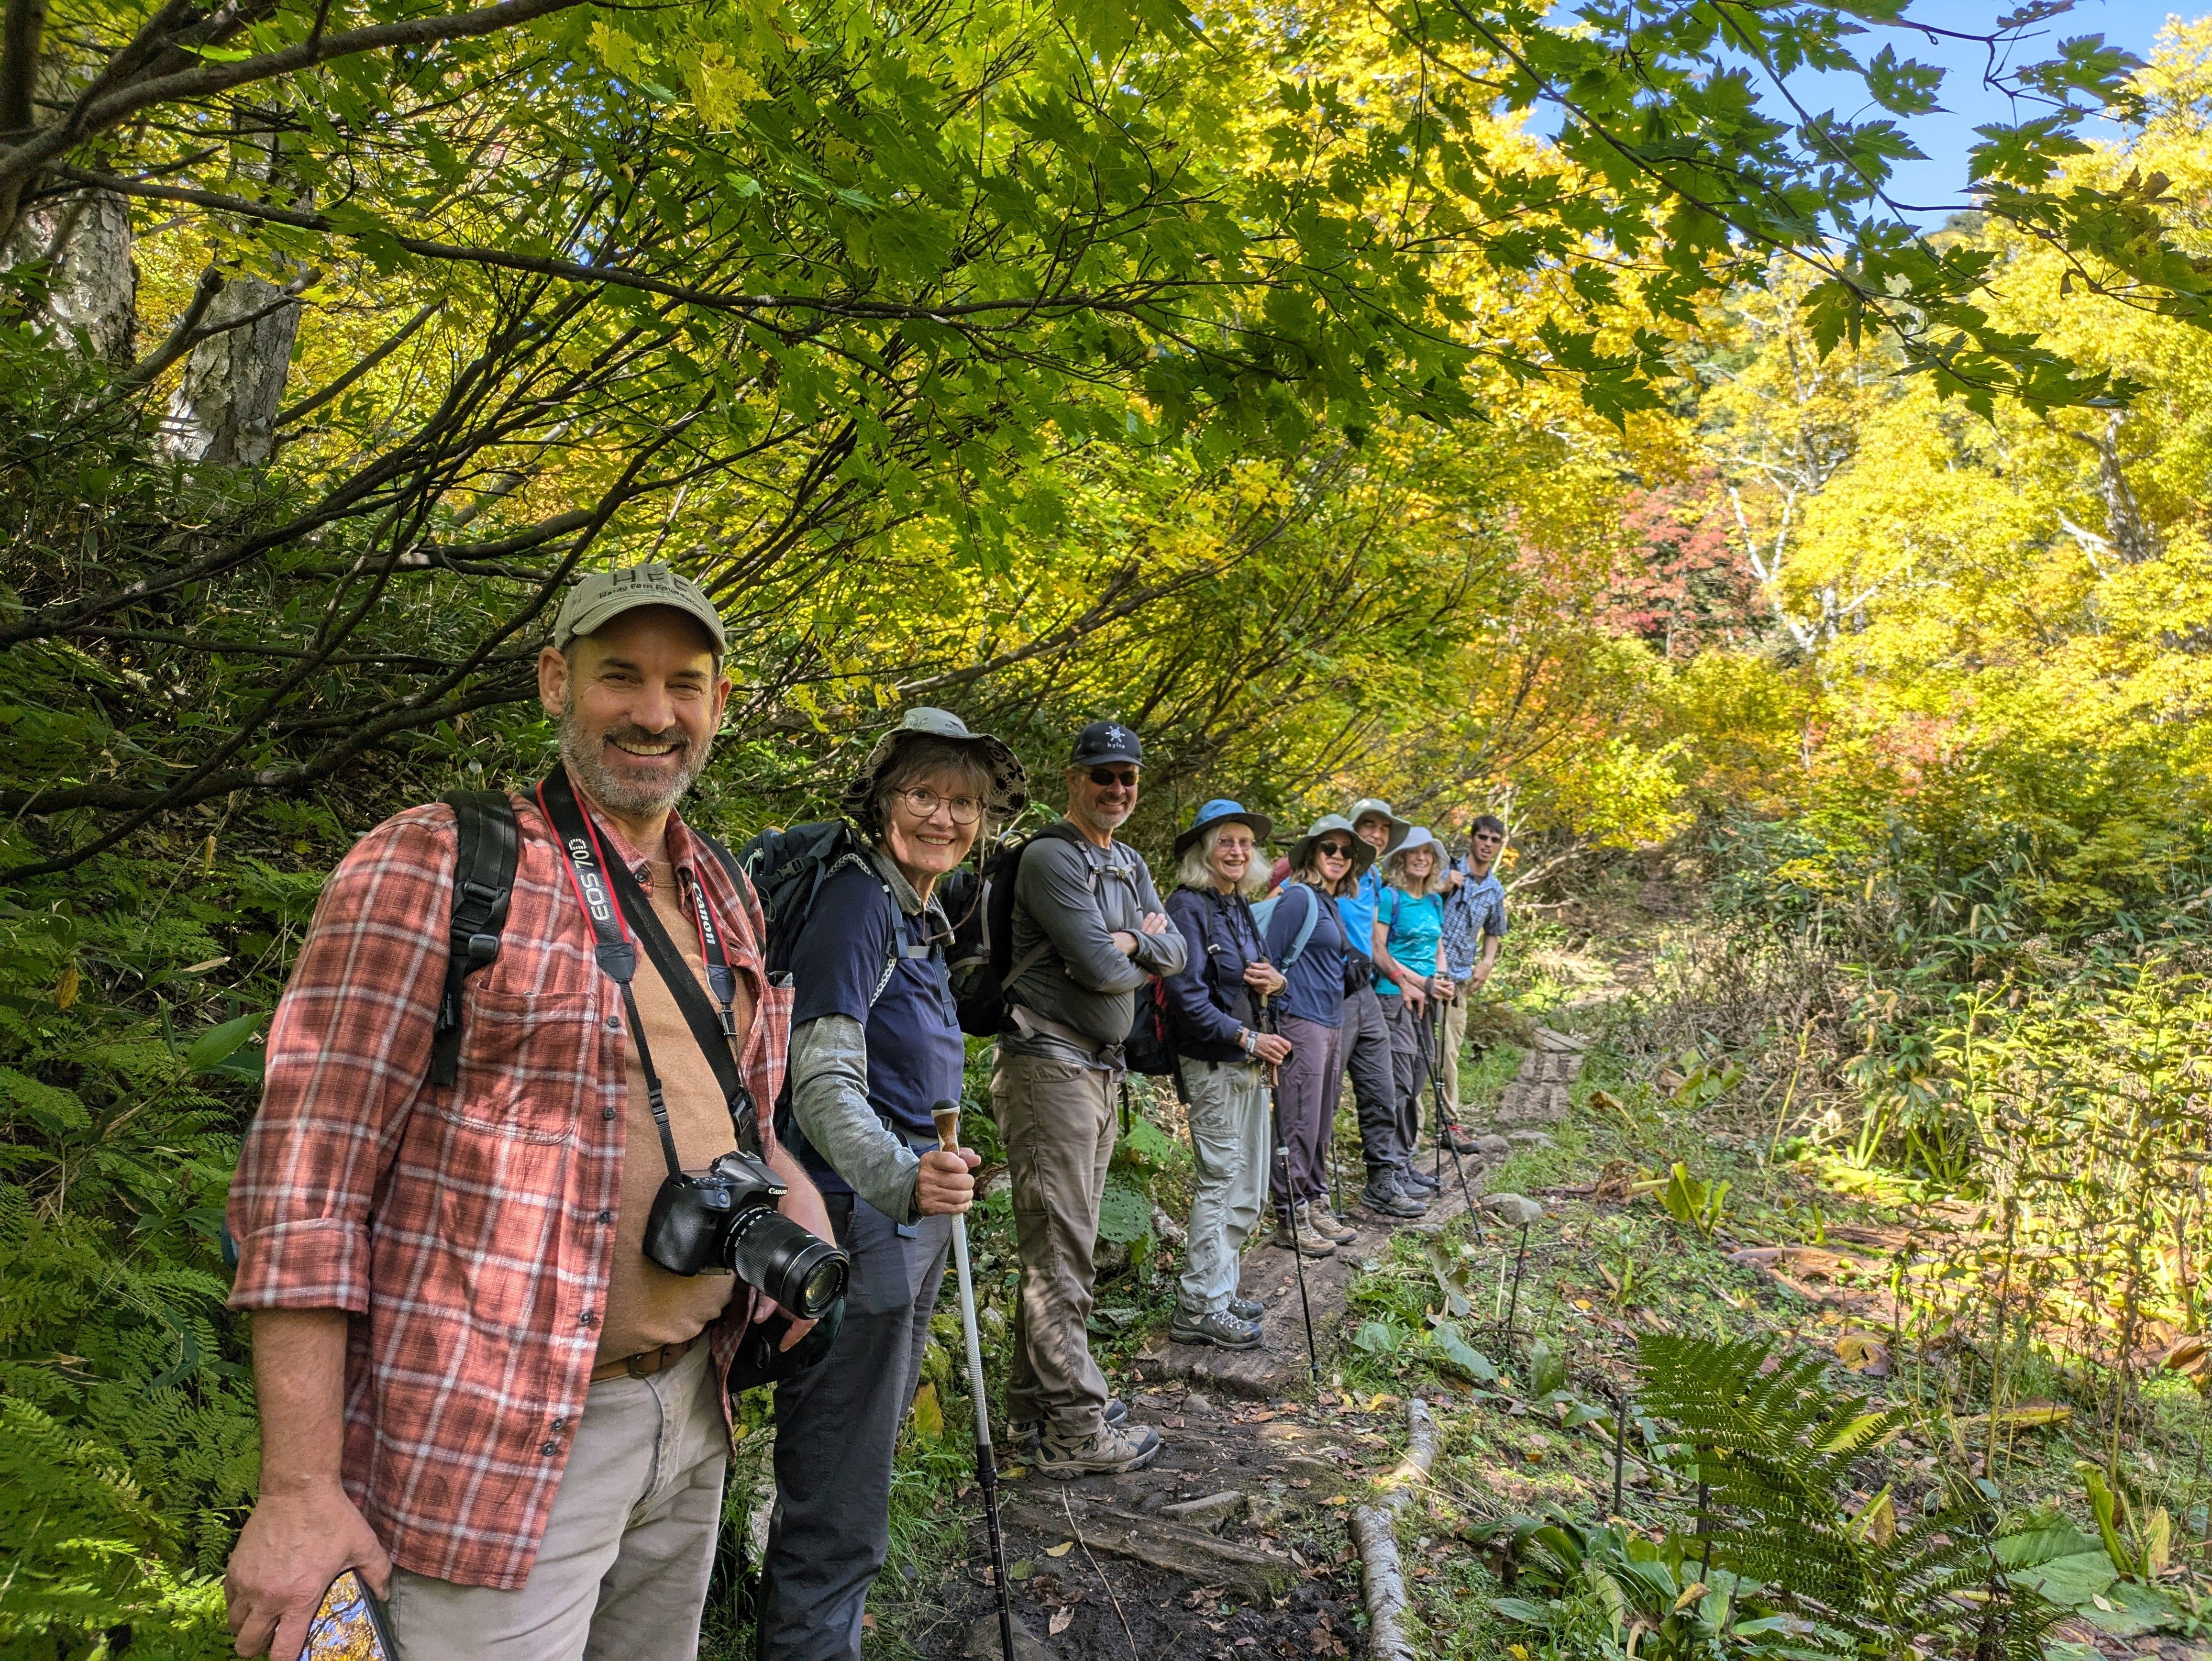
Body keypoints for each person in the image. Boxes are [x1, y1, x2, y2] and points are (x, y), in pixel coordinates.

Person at [223, 565, 830, 1661]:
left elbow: (743, 1108)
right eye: (619, 677)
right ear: (555, 683)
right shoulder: (438, 864)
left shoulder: (723, 889)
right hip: (494, 1443)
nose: (654, 713)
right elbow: (305, 1184)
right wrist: (300, 1489)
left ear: (720, 703)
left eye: (683, 684)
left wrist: (795, 1194)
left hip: (694, 1413)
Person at [758, 709, 1024, 1658]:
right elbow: (820, 1075)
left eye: (964, 802)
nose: (944, 816)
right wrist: (901, 1176)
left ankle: (827, 1631)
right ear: (879, 799)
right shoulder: (856, 904)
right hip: (851, 1216)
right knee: (837, 1470)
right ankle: (812, 1643)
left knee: (854, 1459)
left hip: (893, 1212)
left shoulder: (915, 907)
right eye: (923, 793)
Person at [995, 720, 1187, 1477]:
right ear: (1072, 778)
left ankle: (1032, 1411)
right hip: (1050, 1069)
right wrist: (1131, 948)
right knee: (1062, 1253)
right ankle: (1076, 1432)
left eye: (1128, 777)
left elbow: (1172, 950)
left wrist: (1136, 944)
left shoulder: (1129, 860)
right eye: (1103, 775)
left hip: (1097, 1073)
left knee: (1061, 1246)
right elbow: (1103, 972)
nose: (1117, 789)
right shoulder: (1050, 857)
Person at [1160, 800, 1290, 1347]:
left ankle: (1220, 1284)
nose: (1237, 851)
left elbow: (1256, 979)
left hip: (1247, 1062)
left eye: (1244, 843)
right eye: (1225, 842)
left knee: (1247, 1184)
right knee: (1220, 1179)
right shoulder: (1186, 906)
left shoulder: (1237, 904)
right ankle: (1198, 1307)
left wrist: (1276, 985)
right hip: (1213, 1060)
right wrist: (1247, 1036)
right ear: (1203, 850)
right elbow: (1187, 997)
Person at [1266, 817, 1365, 1252]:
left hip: (1331, 1021)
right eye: (1330, 848)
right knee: (1299, 1119)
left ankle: (1316, 1199)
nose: (1339, 857)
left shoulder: (1330, 903)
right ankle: (1291, 1214)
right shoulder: (1298, 899)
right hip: (1300, 1020)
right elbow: (1266, 965)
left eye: (1347, 852)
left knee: (1322, 1120)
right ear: (1312, 854)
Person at [1339, 798, 1426, 1218]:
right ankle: (1307, 1198)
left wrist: (1401, 979)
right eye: (1368, 825)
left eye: (1383, 828)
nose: (1376, 833)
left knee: (1382, 1088)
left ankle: (1383, 1179)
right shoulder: (1327, 870)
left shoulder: (1371, 876)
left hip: (1367, 993)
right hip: (1326, 998)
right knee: (1318, 1102)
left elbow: (1375, 944)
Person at [1372, 827, 1454, 1174]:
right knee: (1400, 1083)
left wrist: (1443, 979)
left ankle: (1405, 1161)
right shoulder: (1390, 898)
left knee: (1419, 1078)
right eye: (1414, 852)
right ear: (1402, 859)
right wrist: (1422, 981)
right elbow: (1379, 950)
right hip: (1394, 998)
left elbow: (1437, 948)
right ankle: (1391, 1167)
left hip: (1429, 1000)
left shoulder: (1435, 900)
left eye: (1428, 853)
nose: (1421, 858)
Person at [1438, 815, 1510, 1137]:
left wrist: (1488, 962)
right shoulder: (1448, 871)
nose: (1488, 845)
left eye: (1495, 840)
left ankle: (1447, 1124)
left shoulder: (1495, 890)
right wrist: (1443, 887)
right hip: (1425, 973)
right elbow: (1416, 902)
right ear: (1472, 839)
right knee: (1420, 1055)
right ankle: (1418, 1127)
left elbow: (1495, 930)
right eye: (1483, 838)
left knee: (1450, 1052)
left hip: (1460, 979)